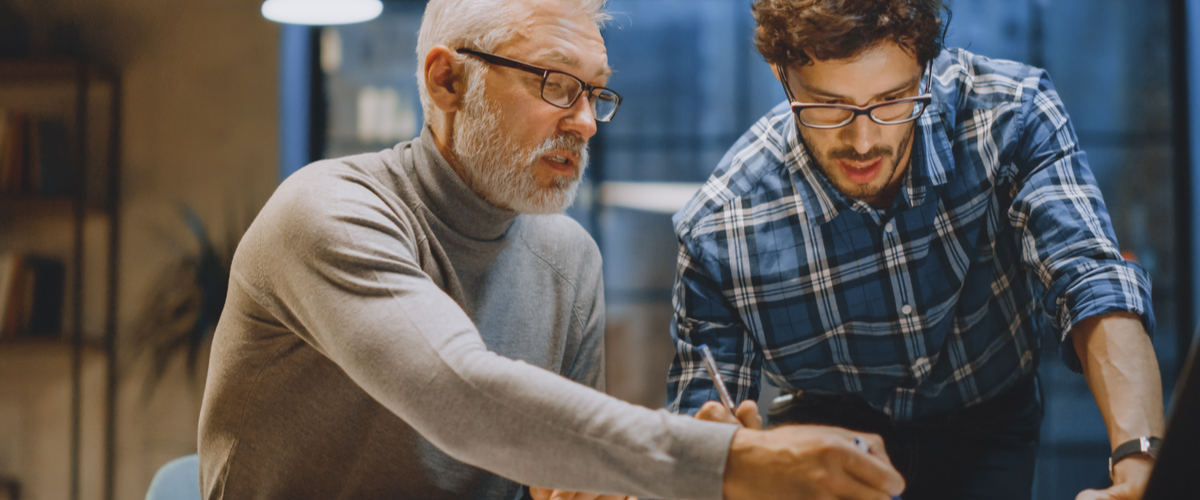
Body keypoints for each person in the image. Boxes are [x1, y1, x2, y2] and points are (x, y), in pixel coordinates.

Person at [198, 0, 906, 499]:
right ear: (448, 80)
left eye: (596, 94)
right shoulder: (328, 213)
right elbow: (461, 395)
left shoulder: (569, 258)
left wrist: (602, 484)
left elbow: (545, 465)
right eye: (556, 84)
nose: (586, 122)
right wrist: (732, 460)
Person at [667, 1, 1165, 500]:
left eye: (892, 99)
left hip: (989, 409)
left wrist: (1140, 457)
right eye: (829, 105)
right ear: (782, 73)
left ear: (926, 67)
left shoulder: (1012, 115)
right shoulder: (720, 228)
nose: (863, 142)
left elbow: (1090, 279)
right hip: (829, 423)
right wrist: (724, 458)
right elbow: (700, 432)